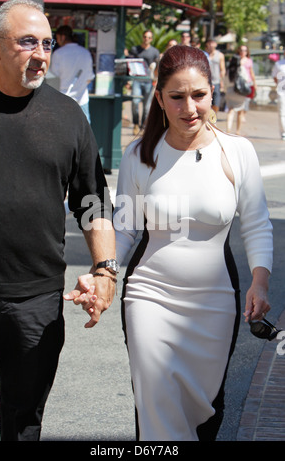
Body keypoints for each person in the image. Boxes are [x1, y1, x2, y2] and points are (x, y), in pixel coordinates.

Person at [112, 45, 273, 441]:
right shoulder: (139, 153)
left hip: (215, 302)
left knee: (205, 410)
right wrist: (104, 273)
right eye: (177, 97)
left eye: (198, 95)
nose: (190, 107)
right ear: (158, 96)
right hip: (149, 295)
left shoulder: (237, 152)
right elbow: (125, 228)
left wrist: (260, 281)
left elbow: (256, 224)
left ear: (212, 92)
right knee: (155, 399)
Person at [0, 0, 116, 441]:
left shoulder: (68, 116)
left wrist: (104, 271)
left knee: (23, 426)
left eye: (47, 42)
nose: (41, 54)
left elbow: (93, 201)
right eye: (27, 42)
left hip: (36, 300)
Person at [50, 25, 94, 123]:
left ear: (62, 37)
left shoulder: (58, 54)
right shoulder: (85, 53)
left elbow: (53, 76)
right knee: (84, 134)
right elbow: (89, 78)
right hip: (82, 100)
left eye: (57, 38)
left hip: (63, 99)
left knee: (63, 132)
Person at [128, 30, 159, 135]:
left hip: (148, 81)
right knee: (135, 102)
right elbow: (130, 62)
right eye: (145, 36)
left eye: (149, 37)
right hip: (137, 79)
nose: (147, 39)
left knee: (146, 106)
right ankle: (136, 123)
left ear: (151, 39)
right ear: (142, 37)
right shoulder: (135, 49)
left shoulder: (154, 51)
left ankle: (143, 126)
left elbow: (157, 67)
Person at [205, 38, 226, 115]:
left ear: (215, 44)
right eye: (209, 43)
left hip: (216, 81)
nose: (210, 45)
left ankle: (213, 117)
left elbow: (223, 70)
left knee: (216, 102)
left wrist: (221, 81)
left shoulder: (220, 55)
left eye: (212, 43)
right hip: (206, 81)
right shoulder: (204, 54)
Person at [238, 45, 257, 121]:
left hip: (247, 82)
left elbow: (252, 72)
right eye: (242, 50)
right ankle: (240, 114)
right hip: (239, 83)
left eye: (245, 50)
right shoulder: (237, 59)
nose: (243, 52)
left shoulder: (249, 60)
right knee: (239, 100)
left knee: (247, 100)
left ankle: (243, 114)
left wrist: (254, 82)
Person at [272, 49, 285, 140]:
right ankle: (283, 131)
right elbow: (275, 77)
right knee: (282, 112)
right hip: (282, 91)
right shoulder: (279, 64)